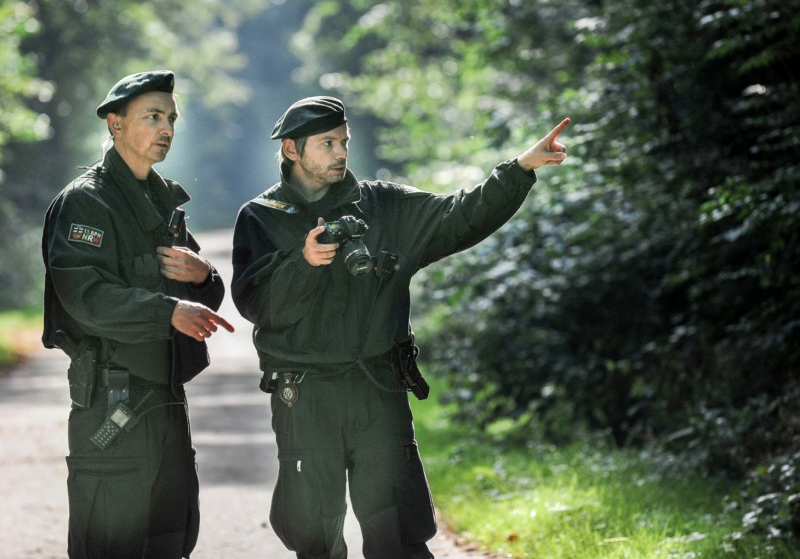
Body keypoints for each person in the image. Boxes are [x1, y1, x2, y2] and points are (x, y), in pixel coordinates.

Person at [231, 95, 568, 559]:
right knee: (315, 537)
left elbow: (459, 215)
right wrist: (303, 263)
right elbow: (256, 305)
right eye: (327, 144)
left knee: (399, 534)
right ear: (292, 150)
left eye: (343, 142)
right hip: (305, 397)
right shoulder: (261, 217)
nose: (341, 153)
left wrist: (519, 169)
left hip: (378, 390)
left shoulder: (383, 206)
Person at [41, 70, 235, 559]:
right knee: (111, 540)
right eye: (153, 116)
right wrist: (167, 310)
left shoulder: (163, 200)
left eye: (171, 117)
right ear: (115, 124)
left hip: (167, 399)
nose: (166, 127)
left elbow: (201, 299)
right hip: (113, 401)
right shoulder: (87, 201)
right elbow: (84, 295)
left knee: (170, 537)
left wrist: (203, 274)